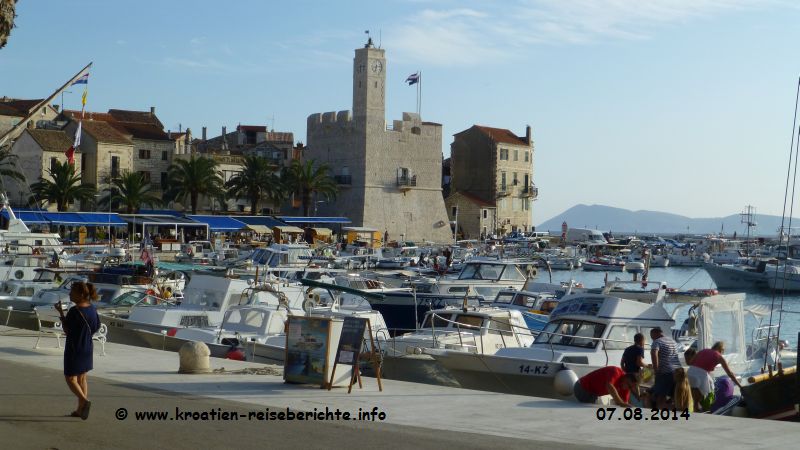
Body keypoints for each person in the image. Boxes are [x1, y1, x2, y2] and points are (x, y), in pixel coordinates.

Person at [55, 281, 100, 420]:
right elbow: (97, 326)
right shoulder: (92, 308)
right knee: (82, 378)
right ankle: (80, 409)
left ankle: (84, 401)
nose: (69, 294)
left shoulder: (75, 311)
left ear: (80, 294)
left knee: (70, 378)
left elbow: (67, 330)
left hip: (74, 347)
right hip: (87, 346)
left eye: (72, 291)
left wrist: (61, 314)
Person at [688, 341, 742, 411]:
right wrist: (740, 386)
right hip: (700, 375)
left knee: (695, 399)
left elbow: (691, 362)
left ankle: (695, 411)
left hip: (690, 372)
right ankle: (705, 411)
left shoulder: (703, 351)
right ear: (721, 350)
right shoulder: (719, 357)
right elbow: (730, 374)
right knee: (706, 397)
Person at [573, 366, 639, 407]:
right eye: (628, 384)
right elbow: (609, 386)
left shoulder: (626, 387)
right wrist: (620, 402)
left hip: (593, 393)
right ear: (625, 377)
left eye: (630, 387)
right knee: (592, 411)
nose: (627, 387)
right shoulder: (616, 372)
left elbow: (625, 403)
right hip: (581, 387)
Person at [650, 327, 681, 409]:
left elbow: (654, 353)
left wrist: (656, 370)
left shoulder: (657, 341)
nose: (652, 339)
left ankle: (660, 416)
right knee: (673, 396)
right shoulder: (673, 341)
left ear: (656, 333)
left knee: (660, 397)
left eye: (652, 336)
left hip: (665, 372)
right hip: (677, 371)